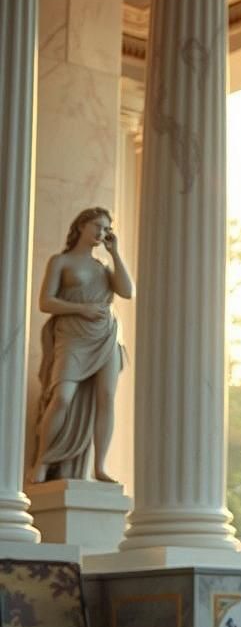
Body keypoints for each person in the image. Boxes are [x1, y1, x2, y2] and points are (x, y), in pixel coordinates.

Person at [28, 207, 132, 484]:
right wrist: (82, 308)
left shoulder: (104, 267)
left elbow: (127, 291)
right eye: (97, 226)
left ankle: (99, 467)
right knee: (61, 396)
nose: (101, 232)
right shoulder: (60, 261)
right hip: (73, 336)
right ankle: (43, 460)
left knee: (106, 398)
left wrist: (115, 254)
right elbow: (45, 302)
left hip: (105, 335)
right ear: (81, 226)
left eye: (106, 228)